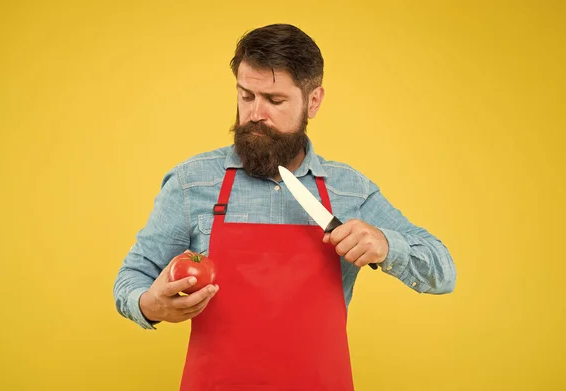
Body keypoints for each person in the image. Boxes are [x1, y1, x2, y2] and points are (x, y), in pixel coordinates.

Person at [113, 23, 456, 390]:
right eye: (246, 96)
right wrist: (150, 304)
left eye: (274, 101)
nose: (255, 113)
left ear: (313, 101)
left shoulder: (349, 190)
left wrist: (388, 246)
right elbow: (131, 278)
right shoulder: (193, 182)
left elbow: (443, 272)